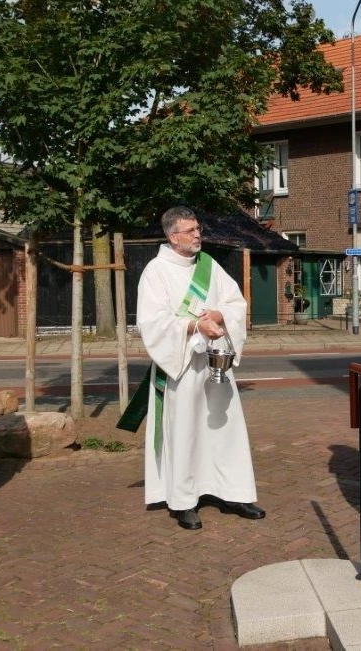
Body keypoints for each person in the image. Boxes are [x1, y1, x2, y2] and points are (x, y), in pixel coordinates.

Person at [136, 206, 265, 530]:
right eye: (190, 231)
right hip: (181, 365)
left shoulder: (209, 266)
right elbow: (153, 321)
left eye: (198, 229)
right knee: (185, 431)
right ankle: (183, 501)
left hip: (214, 360)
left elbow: (235, 303)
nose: (198, 235)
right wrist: (195, 326)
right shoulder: (156, 271)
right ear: (172, 236)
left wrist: (219, 317)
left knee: (224, 427)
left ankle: (231, 492)